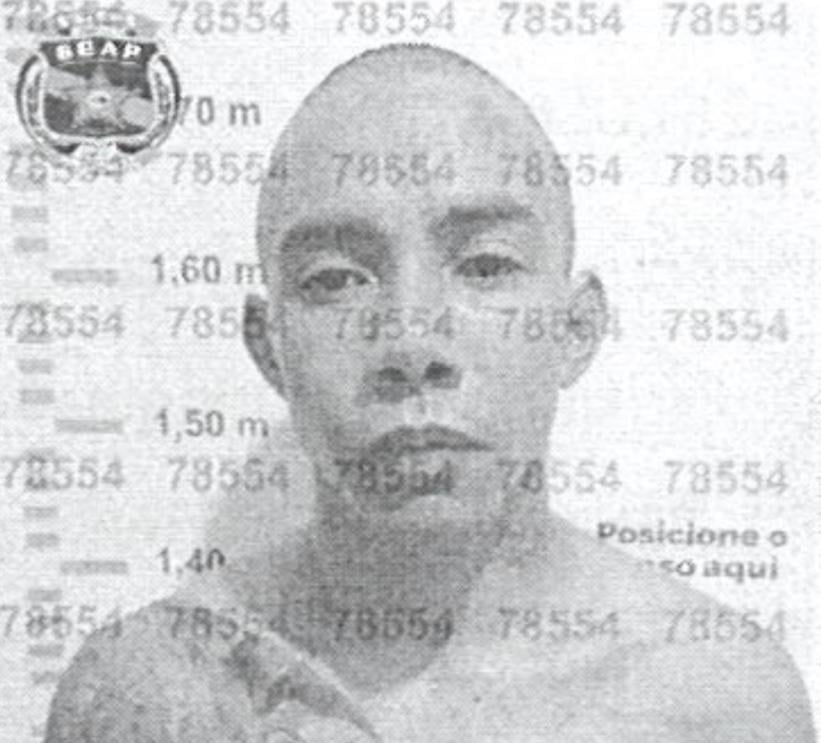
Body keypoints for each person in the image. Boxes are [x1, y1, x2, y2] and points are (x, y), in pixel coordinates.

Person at [44, 43, 815, 743]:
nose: (411, 342)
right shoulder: (153, 688)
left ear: (575, 327)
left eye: (485, 266)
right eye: (335, 279)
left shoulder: (714, 697)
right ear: (268, 346)